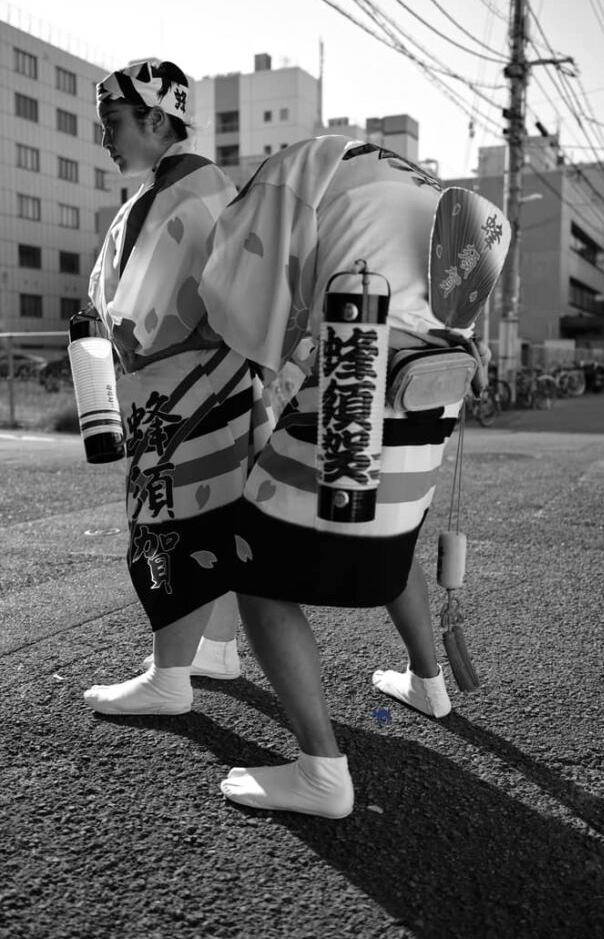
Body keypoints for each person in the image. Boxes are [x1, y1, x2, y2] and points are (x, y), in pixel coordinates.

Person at [198, 136, 509, 818]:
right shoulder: (430, 188)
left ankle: (320, 772)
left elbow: (236, 285)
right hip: (434, 388)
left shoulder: (306, 169)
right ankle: (429, 684)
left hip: (358, 373)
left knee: (257, 566)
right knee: (395, 541)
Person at [83, 60, 272, 715]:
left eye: (114, 122)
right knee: (214, 528)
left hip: (176, 395)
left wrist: (94, 341)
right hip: (224, 389)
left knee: (168, 529)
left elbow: (139, 320)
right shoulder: (211, 187)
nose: (104, 137)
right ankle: (213, 648)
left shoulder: (175, 196)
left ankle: (169, 680)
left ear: (157, 120)